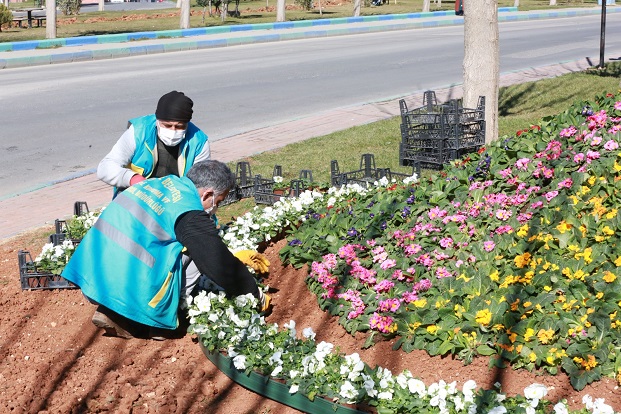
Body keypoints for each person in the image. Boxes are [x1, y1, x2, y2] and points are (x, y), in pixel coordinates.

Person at [62, 160, 270, 340]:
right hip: (125, 287)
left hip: (92, 275)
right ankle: (151, 321)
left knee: (180, 246)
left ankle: (112, 310)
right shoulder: (188, 209)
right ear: (208, 193)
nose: (215, 207)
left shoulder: (158, 184)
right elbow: (217, 263)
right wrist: (253, 293)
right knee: (196, 255)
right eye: (219, 201)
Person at [97, 90, 211, 197]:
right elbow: (105, 167)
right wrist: (133, 178)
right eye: (167, 125)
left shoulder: (198, 142)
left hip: (177, 199)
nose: (173, 130)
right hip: (137, 196)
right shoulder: (139, 131)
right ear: (157, 120)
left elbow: (201, 184)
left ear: (187, 124)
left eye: (179, 126)